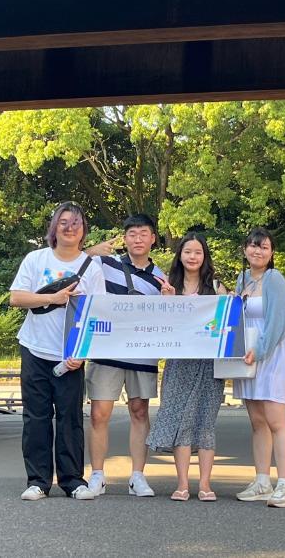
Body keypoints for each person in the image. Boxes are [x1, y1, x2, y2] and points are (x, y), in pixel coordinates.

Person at [9, 202, 106, 501]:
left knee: (70, 418)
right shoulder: (36, 259)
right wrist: (54, 298)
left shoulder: (92, 268)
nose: (69, 228)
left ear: (83, 230)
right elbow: (16, 298)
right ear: (54, 228)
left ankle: (73, 481)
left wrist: (83, 353)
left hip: (70, 356)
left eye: (75, 223)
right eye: (63, 222)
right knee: (35, 417)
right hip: (35, 348)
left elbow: (97, 314)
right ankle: (38, 481)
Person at [84, 213, 176, 498]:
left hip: (142, 354)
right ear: (124, 238)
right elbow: (72, 267)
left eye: (143, 233)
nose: (138, 239)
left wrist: (169, 302)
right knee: (99, 413)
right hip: (106, 350)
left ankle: (138, 476)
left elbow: (168, 320)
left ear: (153, 239)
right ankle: (97, 475)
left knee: (140, 411)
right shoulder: (104, 263)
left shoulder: (161, 277)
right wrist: (90, 251)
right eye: (132, 234)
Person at [146, 232, 226, 502]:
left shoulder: (216, 286)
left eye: (198, 252)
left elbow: (227, 321)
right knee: (180, 420)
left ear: (205, 256)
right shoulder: (169, 285)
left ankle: (205, 484)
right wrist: (168, 301)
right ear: (180, 255)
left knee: (205, 422)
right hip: (178, 362)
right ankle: (182, 484)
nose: (193, 257)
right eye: (188, 251)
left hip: (209, 364)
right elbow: (161, 327)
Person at [233, 227, 285, 508]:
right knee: (257, 421)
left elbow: (277, 323)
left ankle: (284, 486)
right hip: (247, 356)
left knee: (275, 420)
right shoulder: (242, 279)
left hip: (271, 355)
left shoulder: (274, 279)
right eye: (253, 245)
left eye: (264, 247)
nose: (257, 251)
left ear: (271, 253)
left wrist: (259, 351)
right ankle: (262, 481)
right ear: (245, 249)